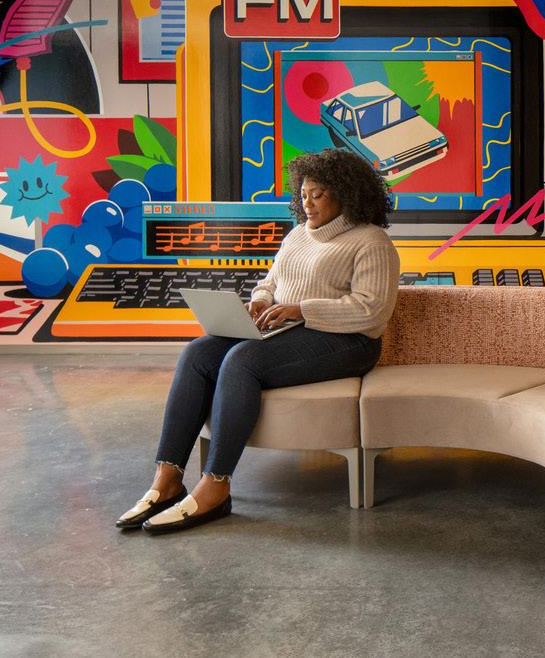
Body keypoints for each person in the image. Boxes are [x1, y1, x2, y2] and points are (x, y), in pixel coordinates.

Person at [115, 149, 400, 533]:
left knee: (243, 359)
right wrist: (262, 300)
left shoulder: (371, 241)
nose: (307, 203)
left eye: (318, 194)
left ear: (346, 194)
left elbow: (372, 310)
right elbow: (271, 281)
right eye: (303, 194)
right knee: (198, 353)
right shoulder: (298, 235)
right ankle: (167, 479)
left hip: (350, 342)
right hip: (291, 330)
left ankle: (216, 485)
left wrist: (301, 310)